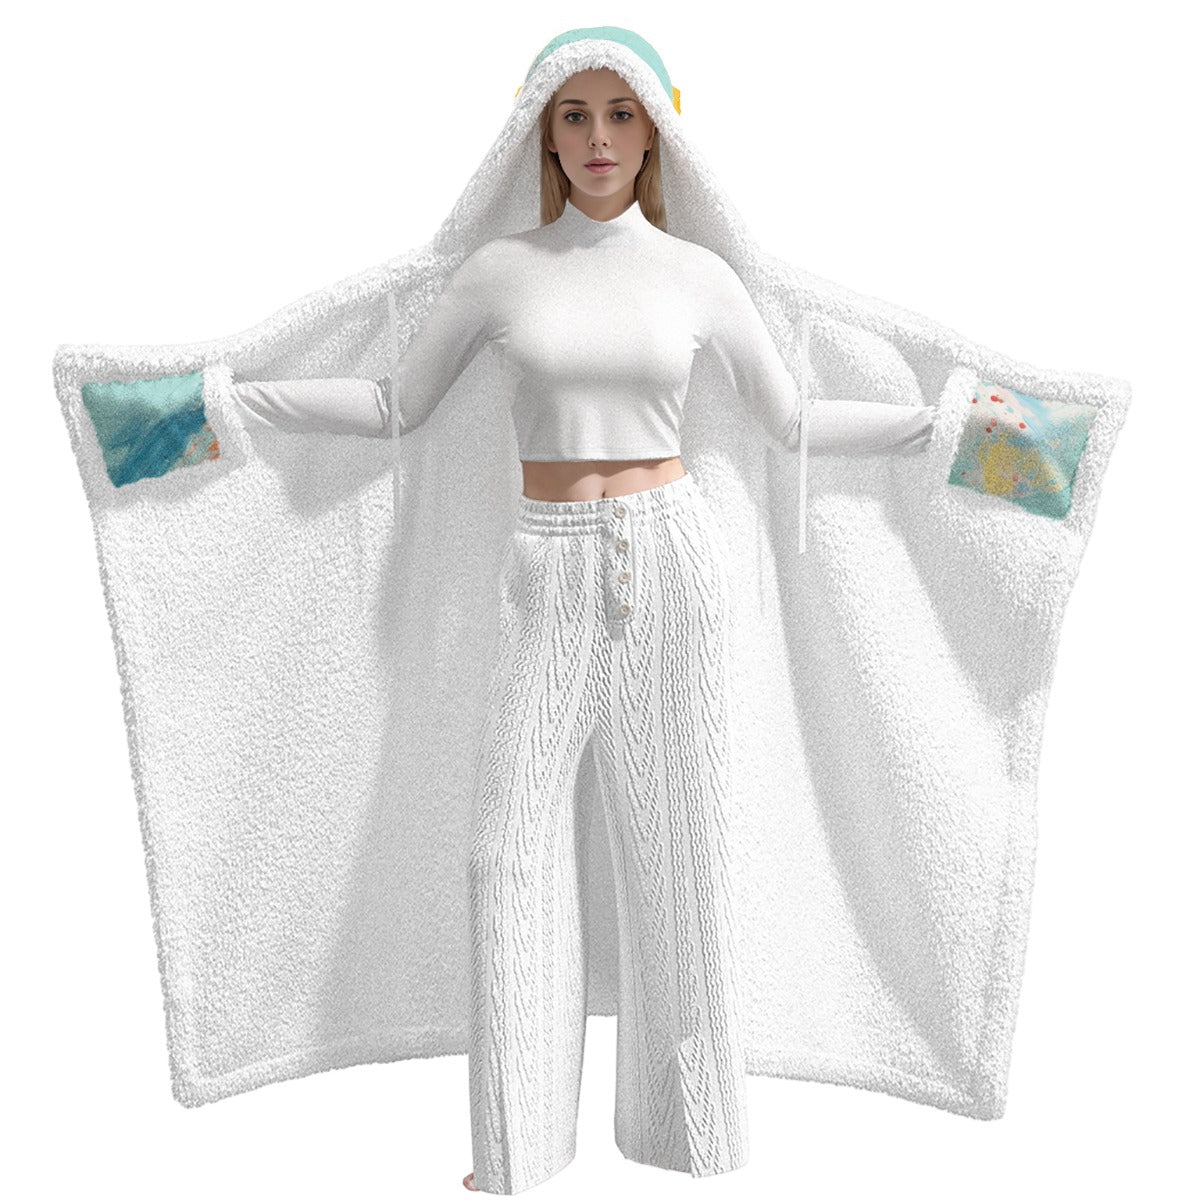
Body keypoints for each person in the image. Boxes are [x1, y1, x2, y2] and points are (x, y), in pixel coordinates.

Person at [226, 52, 934, 1198]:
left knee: (682, 852)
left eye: (620, 115)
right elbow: (397, 405)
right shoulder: (501, 273)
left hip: (671, 564)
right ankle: (513, 1156)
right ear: (542, 136)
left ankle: (694, 1140)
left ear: (656, 136)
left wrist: (952, 432)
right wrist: (222, 403)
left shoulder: (698, 275)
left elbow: (792, 421)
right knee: (504, 855)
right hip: (543, 566)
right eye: (573, 116)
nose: (598, 137)